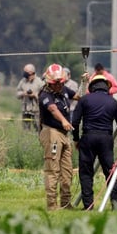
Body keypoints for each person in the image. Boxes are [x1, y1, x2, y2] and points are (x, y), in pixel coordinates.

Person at [71, 73, 117, 211]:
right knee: (110, 171)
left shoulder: (84, 100)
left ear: (92, 87)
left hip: (88, 137)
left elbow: (75, 121)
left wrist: (76, 139)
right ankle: (116, 204)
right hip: (106, 140)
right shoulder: (113, 102)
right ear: (107, 87)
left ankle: (88, 205)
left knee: (86, 173)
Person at [38, 64, 75, 210]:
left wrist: (85, 82)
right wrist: (64, 120)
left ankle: (66, 203)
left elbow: (79, 96)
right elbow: (53, 109)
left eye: (61, 82)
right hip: (51, 133)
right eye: (56, 83)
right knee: (52, 170)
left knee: (67, 171)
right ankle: (52, 204)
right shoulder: (44, 95)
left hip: (64, 135)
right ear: (49, 82)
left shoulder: (64, 90)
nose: (59, 85)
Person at [15, 63, 43, 130]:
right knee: (25, 129)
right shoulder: (22, 81)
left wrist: (34, 95)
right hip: (25, 109)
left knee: (38, 128)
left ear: (31, 72)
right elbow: (17, 94)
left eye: (26, 72)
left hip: (36, 110)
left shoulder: (39, 82)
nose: (24, 73)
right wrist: (23, 93)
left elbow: (43, 96)